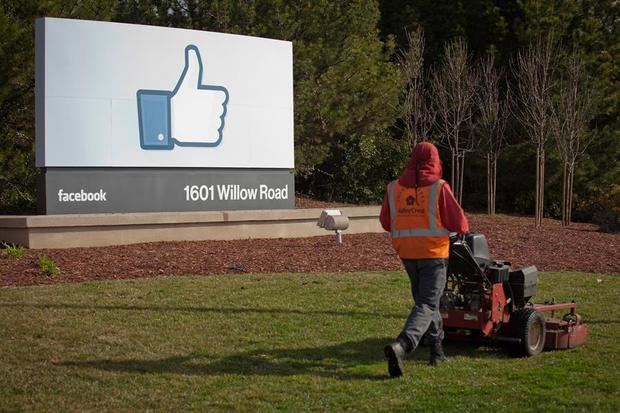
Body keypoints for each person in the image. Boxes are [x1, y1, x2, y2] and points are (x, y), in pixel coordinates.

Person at [379, 141, 468, 378]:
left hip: (407, 253)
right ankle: (403, 345)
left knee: (427, 302)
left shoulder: (393, 188)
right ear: (435, 161)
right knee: (427, 304)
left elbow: (386, 222)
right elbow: (459, 223)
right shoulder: (439, 187)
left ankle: (437, 351)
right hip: (433, 254)